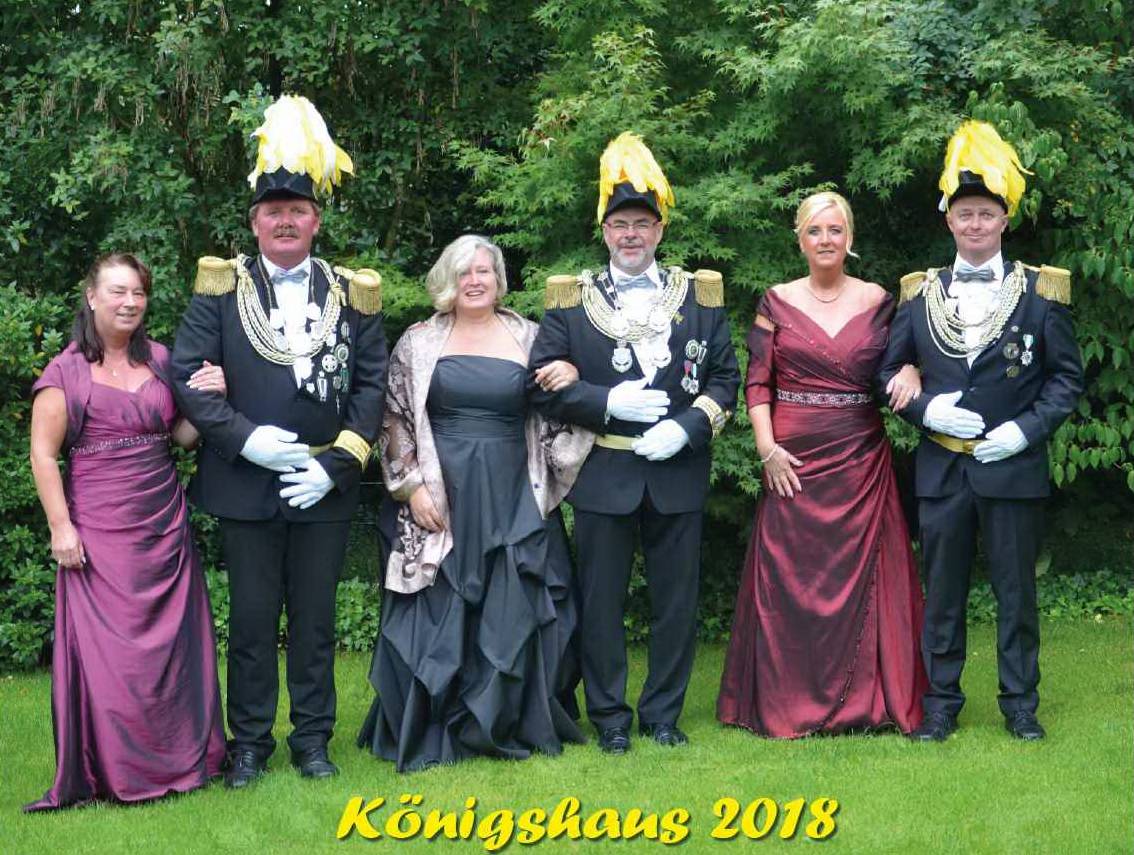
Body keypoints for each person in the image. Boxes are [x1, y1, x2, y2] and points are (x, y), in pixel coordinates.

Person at [171, 95, 387, 786]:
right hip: (245, 482)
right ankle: (252, 742)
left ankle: (313, 740)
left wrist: (337, 466)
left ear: (316, 219)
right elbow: (187, 378)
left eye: (297, 210)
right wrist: (246, 441)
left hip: (322, 485)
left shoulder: (354, 293)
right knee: (255, 622)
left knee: (317, 623)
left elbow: (372, 389)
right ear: (255, 220)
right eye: (273, 211)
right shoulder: (219, 287)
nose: (286, 220)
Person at [529, 132, 740, 753]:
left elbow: (726, 377)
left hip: (678, 470)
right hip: (604, 472)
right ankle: (612, 719)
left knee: (676, 604)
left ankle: (664, 715)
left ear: (660, 229)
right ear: (604, 230)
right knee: (600, 605)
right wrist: (603, 401)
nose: (631, 234)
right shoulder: (570, 301)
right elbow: (540, 388)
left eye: (642, 223)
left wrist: (689, 425)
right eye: (620, 223)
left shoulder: (699, 297)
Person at [878, 121, 1083, 742]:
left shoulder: (1040, 294)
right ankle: (941, 703)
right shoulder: (919, 297)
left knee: (1016, 595)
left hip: (1013, 466)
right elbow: (886, 371)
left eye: (985, 214)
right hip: (943, 468)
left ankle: (1020, 704)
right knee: (942, 595)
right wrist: (924, 412)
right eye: (964, 214)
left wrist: (1025, 432)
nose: (974, 225)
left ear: (1003, 220)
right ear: (949, 221)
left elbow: (1065, 382)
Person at [356, 234, 592, 772]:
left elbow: (559, 408)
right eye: (465, 272)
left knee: (515, 602)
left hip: (512, 491)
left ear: (499, 279)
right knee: (442, 603)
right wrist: (410, 487)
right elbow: (392, 418)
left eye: (485, 270)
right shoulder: (417, 342)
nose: (476, 280)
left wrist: (574, 376)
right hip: (443, 493)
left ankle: (512, 718)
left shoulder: (531, 337)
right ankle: (441, 722)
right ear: (449, 280)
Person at [716, 192, 929, 738]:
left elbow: (901, 361)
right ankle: (788, 700)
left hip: (860, 458)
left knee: (866, 578)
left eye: (836, 230)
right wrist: (767, 450)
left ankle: (871, 702)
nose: (826, 240)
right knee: (793, 582)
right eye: (815, 231)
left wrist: (914, 372)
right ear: (800, 239)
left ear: (850, 238)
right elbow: (758, 381)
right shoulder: (775, 301)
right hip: (792, 462)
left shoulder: (882, 300)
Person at [26, 253, 228, 811]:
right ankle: (116, 771)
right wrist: (61, 528)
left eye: (138, 292)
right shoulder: (64, 372)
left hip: (163, 525)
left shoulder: (162, 361)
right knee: (113, 658)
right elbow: (43, 456)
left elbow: (184, 437)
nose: (129, 302)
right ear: (91, 297)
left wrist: (211, 397)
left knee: (172, 650)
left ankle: (182, 760)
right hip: (100, 530)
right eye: (117, 292)